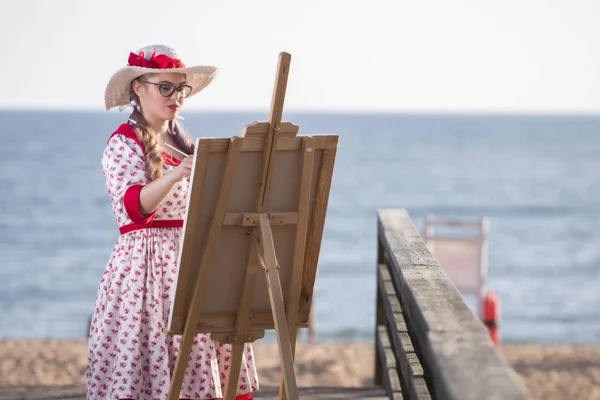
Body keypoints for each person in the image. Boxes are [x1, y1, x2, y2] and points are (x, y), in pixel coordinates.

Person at [87, 45, 258, 400]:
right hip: (147, 272)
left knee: (200, 372)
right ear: (139, 87)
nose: (175, 97)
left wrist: (247, 151)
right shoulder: (123, 142)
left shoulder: (185, 143)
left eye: (180, 89)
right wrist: (176, 175)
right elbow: (135, 208)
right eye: (165, 87)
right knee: (149, 377)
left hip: (191, 266)